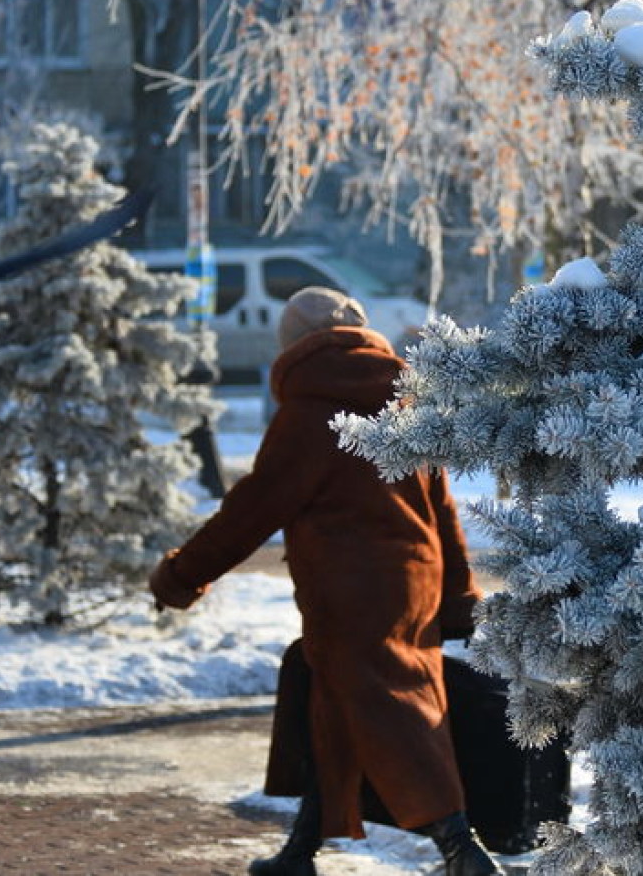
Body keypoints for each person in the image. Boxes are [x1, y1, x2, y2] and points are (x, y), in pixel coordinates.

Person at [148, 286, 502, 876]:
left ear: (294, 345)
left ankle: (462, 851)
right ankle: (301, 851)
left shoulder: (310, 414)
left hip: (350, 595)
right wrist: (459, 600)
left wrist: (180, 576)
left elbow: (250, 512)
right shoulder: (405, 404)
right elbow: (442, 511)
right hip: (416, 585)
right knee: (333, 708)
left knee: (395, 717)